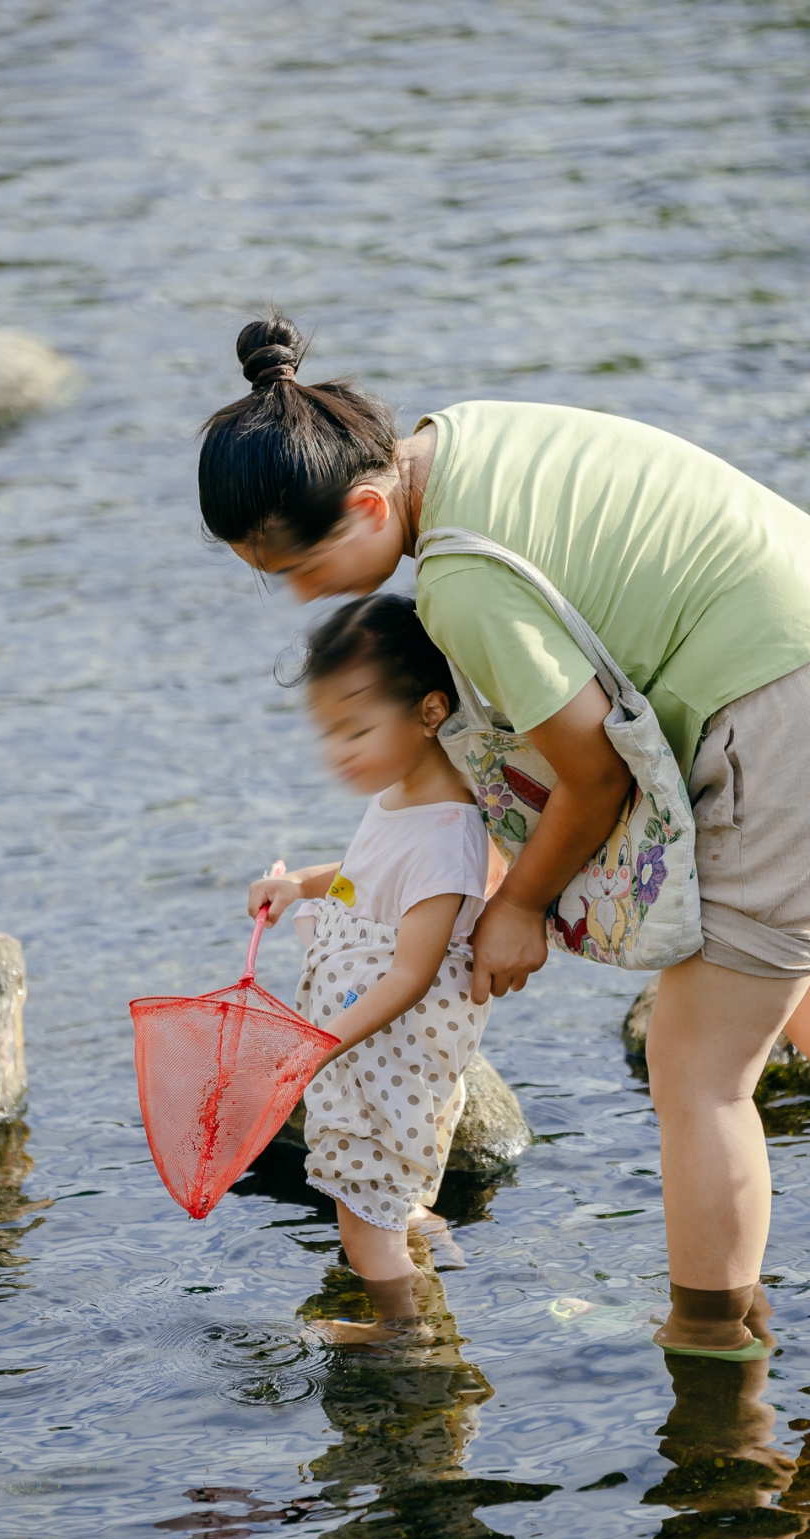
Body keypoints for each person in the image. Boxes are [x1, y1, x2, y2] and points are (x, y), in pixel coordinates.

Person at [203, 314, 810, 1362]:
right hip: (785, 631)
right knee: (784, 993)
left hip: (776, 704)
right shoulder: (461, 439)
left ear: (363, 502)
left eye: (301, 570)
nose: (304, 599)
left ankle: (716, 1367)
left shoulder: (462, 580)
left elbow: (593, 770)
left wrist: (521, 905)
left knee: (698, 1072)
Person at [247, 595, 492, 1339]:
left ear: (428, 711)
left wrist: (315, 1046)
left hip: (389, 1049)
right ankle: (419, 1222)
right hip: (364, 1045)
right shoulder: (403, 797)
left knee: (359, 1212)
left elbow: (412, 973)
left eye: (357, 727)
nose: (339, 751)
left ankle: (401, 1330)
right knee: (379, 1176)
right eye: (329, 733)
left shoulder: (449, 834)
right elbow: (364, 872)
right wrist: (303, 886)